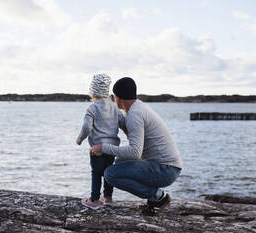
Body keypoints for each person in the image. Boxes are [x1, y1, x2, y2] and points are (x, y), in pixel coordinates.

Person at [91, 77, 182, 215]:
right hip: (167, 166)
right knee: (120, 162)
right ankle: (153, 199)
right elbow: (131, 130)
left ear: (118, 97)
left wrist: (103, 147)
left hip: (166, 170)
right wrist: (116, 119)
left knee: (110, 174)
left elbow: (135, 153)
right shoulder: (138, 107)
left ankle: (157, 196)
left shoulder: (135, 114)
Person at [76, 73, 127, 210]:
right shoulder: (114, 107)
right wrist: (130, 135)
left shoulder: (92, 108)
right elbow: (123, 122)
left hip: (97, 149)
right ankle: (108, 197)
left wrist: (80, 139)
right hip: (111, 148)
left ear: (92, 90)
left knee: (96, 172)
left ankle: (94, 200)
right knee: (107, 172)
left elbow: (87, 127)